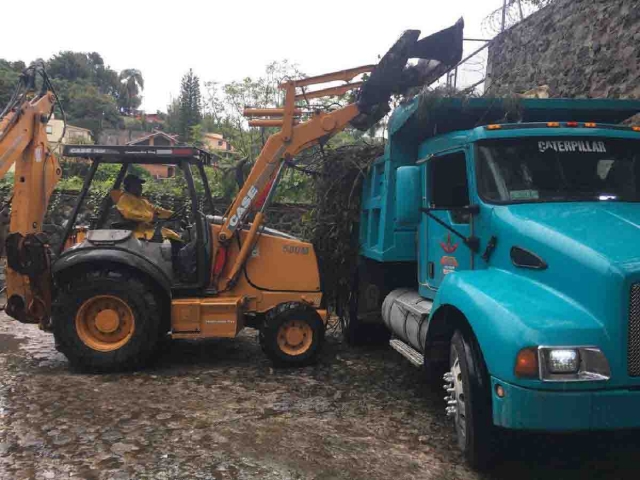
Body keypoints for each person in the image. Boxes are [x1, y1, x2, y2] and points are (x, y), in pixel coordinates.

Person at [116, 174, 181, 241]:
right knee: (171, 237)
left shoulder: (142, 200)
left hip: (147, 228)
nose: (140, 187)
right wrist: (151, 217)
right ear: (129, 186)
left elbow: (155, 210)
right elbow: (130, 213)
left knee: (173, 235)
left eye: (140, 185)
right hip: (136, 231)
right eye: (137, 184)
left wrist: (171, 214)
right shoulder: (125, 199)